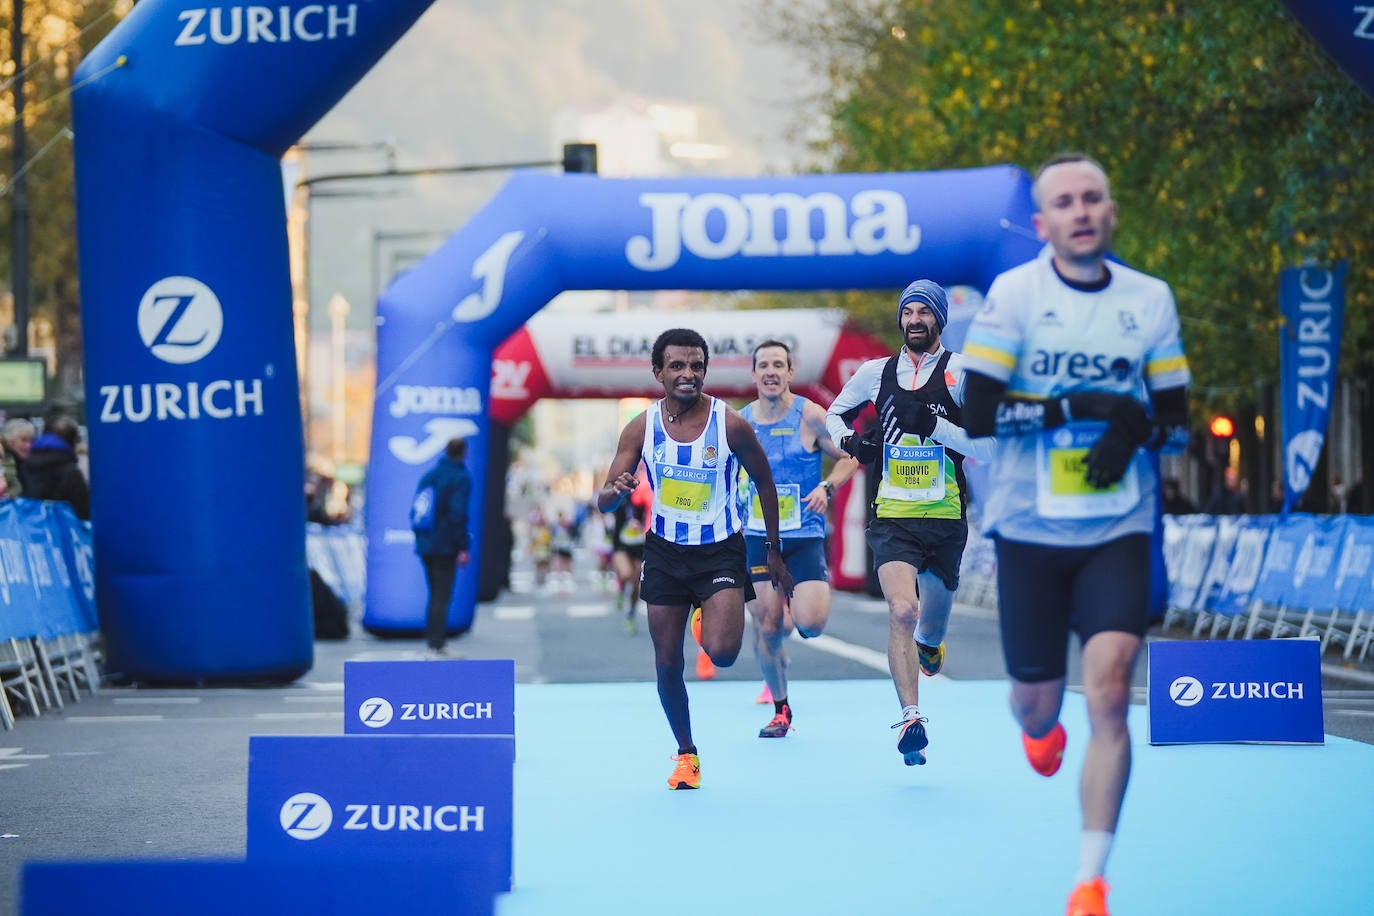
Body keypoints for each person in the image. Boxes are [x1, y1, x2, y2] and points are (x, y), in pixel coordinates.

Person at [960, 153, 1191, 916]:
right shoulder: (1016, 293)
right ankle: (1037, 731)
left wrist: (1133, 434)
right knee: (1036, 702)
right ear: (1043, 224)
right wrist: (1079, 406)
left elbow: (1177, 425)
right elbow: (981, 415)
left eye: (1094, 197)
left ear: (1111, 211)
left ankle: (1090, 880)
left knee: (1114, 692)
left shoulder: (1149, 299)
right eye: (1065, 202)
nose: (1082, 211)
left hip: (1117, 525)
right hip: (1029, 528)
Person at [596, 327, 794, 790]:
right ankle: (687, 753)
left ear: (705, 369)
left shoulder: (730, 424)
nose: (688, 374)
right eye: (678, 366)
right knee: (667, 660)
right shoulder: (641, 427)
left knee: (722, 655)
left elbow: (764, 483)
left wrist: (773, 551)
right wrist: (616, 490)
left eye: (696, 366)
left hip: (720, 550)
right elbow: (603, 499)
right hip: (664, 552)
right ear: (658, 372)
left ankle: (709, 613)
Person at [826, 279, 997, 767]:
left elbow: (991, 447)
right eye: (908, 313)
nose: (915, 321)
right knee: (902, 609)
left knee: (929, 622)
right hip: (892, 517)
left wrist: (937, 427)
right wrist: (854, 445)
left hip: (944, 521)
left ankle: (931, 644)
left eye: (925, 313)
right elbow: (836, 417)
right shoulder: (875, 373)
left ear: (939, 320)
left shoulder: (960, 374)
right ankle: (910, 718)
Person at [740, 339, 859, 738]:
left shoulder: (810, 416)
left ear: (790, 373)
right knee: (769, 626)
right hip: (759, 537)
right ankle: (780, 709)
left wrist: (826, 487)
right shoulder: (740, 423)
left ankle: (792, 616)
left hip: (804, 535)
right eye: (764, 365)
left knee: (810, 624)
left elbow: (851, 455)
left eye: (779, 365)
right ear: (753, 374)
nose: (771, 372)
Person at [410, 437, 473, 657]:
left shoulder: (430, 476)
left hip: (426, 544)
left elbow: (417, 510)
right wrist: (463, 546)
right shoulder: (460, 478)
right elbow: (458, 514)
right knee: (442, 595)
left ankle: (432, 642)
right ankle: (437, 644)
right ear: (463, 452)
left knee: (433, 593)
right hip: (445, 545)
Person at [609, 468, 652, 633]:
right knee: (626, 574)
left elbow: (646, 518)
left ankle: (631, 615)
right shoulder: (619, 497)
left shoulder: (643, 498)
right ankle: (620, 588)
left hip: (638, 546)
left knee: (636, 585)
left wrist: (639, 524)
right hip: (620, 544)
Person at [24, 414, 91, 520]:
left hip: (31, 529)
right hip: (63, 532)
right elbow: (84, 511)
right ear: (72, 441)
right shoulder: (70, 472)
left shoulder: (25, 464)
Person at [2, 416, 36, 497]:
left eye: (31, 440)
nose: (28, 445)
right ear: (9, 440)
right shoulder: (4, 463)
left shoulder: (27, 463)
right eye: (24, 440)